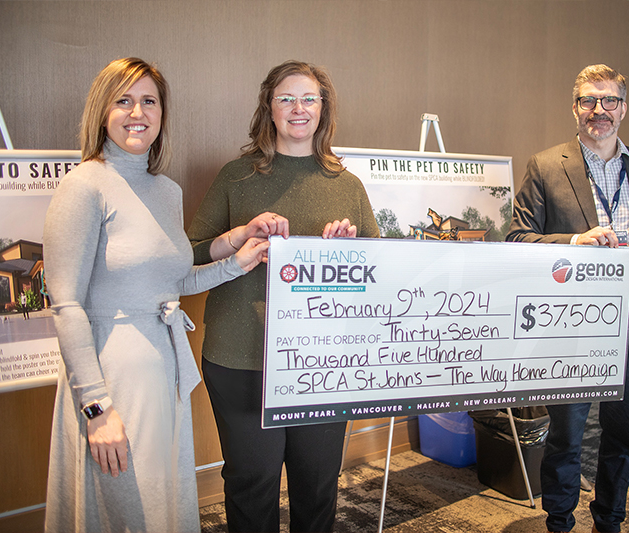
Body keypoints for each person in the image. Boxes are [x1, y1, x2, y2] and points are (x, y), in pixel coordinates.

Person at [43, 57, 269, 533]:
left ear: (162, 113)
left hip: (162, 365)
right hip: (110, 375)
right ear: (102, 111)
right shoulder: (84, 185)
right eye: (123, 100)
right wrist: (96, 407)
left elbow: (175, 284)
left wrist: (236, 262)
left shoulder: (166, 190)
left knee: (160, 500)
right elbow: (65, 303)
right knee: (124, 505)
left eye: (149, 101)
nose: (137, 112)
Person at [187, 60, 379, 533]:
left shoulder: (348, 185)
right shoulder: (236, 176)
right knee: (252, 481)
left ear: (323, 108)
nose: (299, 108)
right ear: (268, 109)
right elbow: (188, 255)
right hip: (242, 355)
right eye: (286, 99)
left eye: (309, 98)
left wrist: (348, 255)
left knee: (317, 484)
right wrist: (239, 237)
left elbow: (380, 274)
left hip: (324, 362)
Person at [506, 64, 629, 533]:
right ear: (575, 107)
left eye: (609, 101)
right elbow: (517, 238)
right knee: (565, 437)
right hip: (572, 325)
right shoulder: (545, 165)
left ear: (624, 108)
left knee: (622, 438)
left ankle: (610, 521)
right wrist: (575, 243)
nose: (598, 110)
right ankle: (559, 521)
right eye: (588, 100)